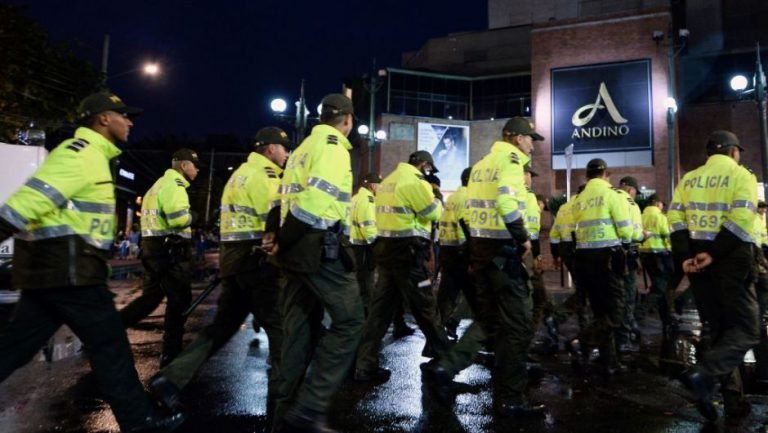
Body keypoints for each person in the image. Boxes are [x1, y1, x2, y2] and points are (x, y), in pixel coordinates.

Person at [0, 92, 184, 432]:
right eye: (123, 115)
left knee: (14, 348)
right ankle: (139, 420)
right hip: (70, 270)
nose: (129, 122)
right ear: (103, 119)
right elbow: (25, 204)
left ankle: (138, 418)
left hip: (57, 271)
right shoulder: (81, 155)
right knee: (111, 346)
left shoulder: (95, 156)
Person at [148, 127, 292, 425]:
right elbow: (275, 217)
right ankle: (286, 395)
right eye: (283, 148)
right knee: (280, 324)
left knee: (221, 327)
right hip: (257, 260)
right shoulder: (266, 177)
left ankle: (171, 378)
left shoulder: (238, 175)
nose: (287, 153)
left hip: (233, 259)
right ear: (268, 149)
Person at [424, 117, 545, 417]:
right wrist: (524, 238)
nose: (532, 144)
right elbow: (506, 203)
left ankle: (444, 368)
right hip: (504, 253)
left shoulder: (481, 165)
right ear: (516, 138)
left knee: (490, 320)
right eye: (530, 138)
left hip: (481, 252)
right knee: (516, 326)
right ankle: (512, 399)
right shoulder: (512, 163)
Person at [273, 94, 364, 433]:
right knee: (351, 322)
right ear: (348, 120)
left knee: (298, 327)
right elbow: (315, 200)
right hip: (316, 245)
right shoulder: (333, 146)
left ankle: (284, 411)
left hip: (298, 247)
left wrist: (282, 239)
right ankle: (310, 408)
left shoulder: (302, 148)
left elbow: (286, 198)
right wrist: (285, 237)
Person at [669, 130, 759, 422]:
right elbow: (742, 217)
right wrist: (717, 251)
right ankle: (702, 374)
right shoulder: (741, 175)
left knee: (719, 330)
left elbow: (676, 218)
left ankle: (733, 401)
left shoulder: (689, 178)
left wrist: (685, 256)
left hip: (697, 261)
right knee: (746, 328)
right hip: (730, 258)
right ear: (733, 151)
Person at [354, 150, 450, 383]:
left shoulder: (388, 181)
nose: (429, 175)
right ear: (424, 165)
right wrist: (437, 196)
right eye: (429, 170)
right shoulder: (414, 181)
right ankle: (447, 362)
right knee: (426, 305)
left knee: (379, 312)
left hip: (386, 253)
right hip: (409, 255)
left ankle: (364, 365)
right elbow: (432, 213)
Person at [120, 148, 199, 367]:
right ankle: (171, 354)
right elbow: (177, 219)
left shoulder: (156, 186)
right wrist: (193, 216)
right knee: (179, 301)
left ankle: (110, 330)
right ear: (183, 165)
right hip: (170, 252)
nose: (197, 169)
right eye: (195, 165)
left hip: (152, 249)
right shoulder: (175, 186)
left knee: (150, 299)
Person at [568, 158, 633, 376]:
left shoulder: (579, 198)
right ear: (606, 173)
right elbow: (625, 229)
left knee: (600, 313)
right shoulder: (611, 194)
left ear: (587, 175)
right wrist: (630, 238)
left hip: (585, 259)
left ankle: (609, 362)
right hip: (608, 259)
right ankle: (581, 341)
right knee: (616, 311)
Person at [436, 167, 472, 340]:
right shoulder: (467, 198)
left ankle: (440, 329)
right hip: (460, 250)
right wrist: (467, 249)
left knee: (447, 292)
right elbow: (465, 224)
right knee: (473, 292)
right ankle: (451, 324)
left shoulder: (453, 197)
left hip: (446, 248)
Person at [637, 194, 674, 333]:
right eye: (662, 204)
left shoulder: (640, 216)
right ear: (658, 203)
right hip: (661, 255)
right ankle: (638, 314)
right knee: (659, 288)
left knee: (659, 286)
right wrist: (672, 248)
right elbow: (667, 235)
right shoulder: (660, 217)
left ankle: (666, 318)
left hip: (645, 255)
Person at [615, 176, 644, 352]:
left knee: (615, 296)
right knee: (627, 297)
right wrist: (644, 236)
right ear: (630, 189)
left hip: (610, 254)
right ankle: (622, 339)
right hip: (626, 255)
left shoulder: (609, 197)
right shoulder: (630, 204)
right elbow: (633, 234)